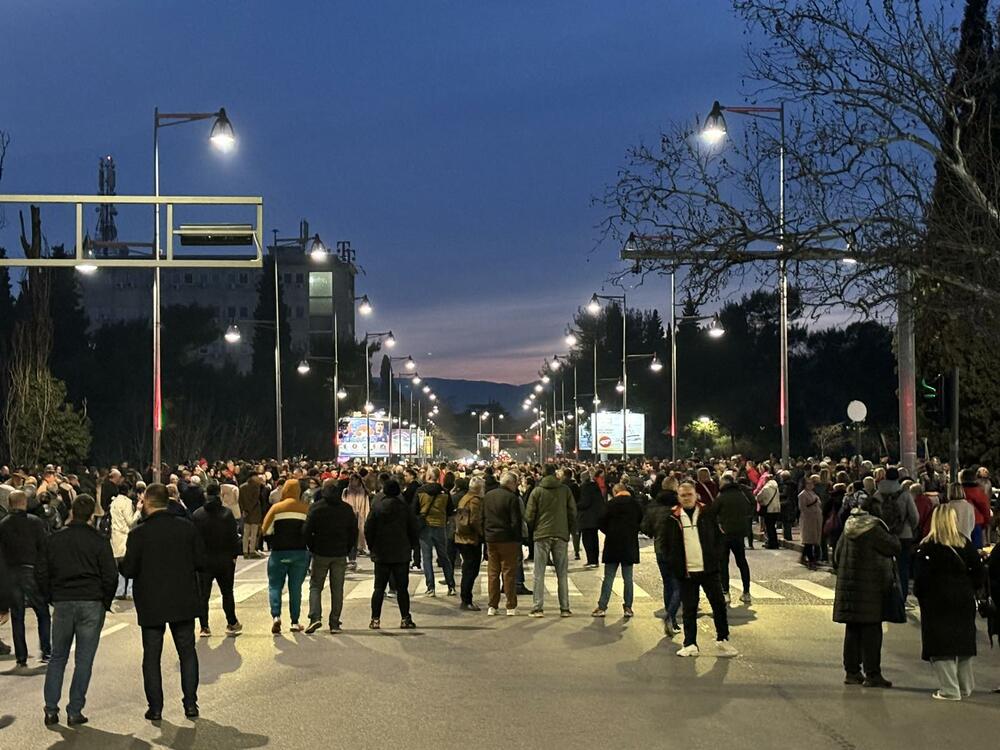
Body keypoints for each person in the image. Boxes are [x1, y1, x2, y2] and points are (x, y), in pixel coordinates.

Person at [120, 483, 206, 721]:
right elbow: (201, 561)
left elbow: (129, 569)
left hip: (151, 600)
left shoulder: (138, 533)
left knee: (152, 656)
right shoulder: (186, 528)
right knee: (187, 652)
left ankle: (155, 707)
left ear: (147, 502)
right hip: (183, 597)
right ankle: (190, 704)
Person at [42, 493, 118, 727]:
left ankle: (50, 709)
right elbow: (110, 575)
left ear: (72, 511)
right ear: (91, 515)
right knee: (83, 660)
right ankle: (74, 710)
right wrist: (104, 601)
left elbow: (42, 571)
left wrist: (51, 597)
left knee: (58, 657)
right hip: (91, 601)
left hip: (64, 600)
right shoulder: (99, 541)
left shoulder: (55, 539)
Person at [656, 481, 737, 657]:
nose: (686, 498)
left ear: (696, 495)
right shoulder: (673, 517)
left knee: (718, 605)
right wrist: (673, 563)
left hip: (709, 569)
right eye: (683, 495)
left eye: (689, 494)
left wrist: (716, 557)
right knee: (689, 609)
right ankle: (690, 643)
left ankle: (723, 639)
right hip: (686, 572)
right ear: (678, 497)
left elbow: (719, 537)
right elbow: (665, 543)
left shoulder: (707, 513)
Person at [913, 505, 984, 700]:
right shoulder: (965, 544)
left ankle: (949, 689)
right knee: (963, 642)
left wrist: (922, 598)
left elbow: (920, 579)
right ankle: (965, 687)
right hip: (963, 598)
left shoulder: (927, 547)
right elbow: (979, 574)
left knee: (941, 645)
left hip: (937, 600)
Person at [832, 494, 900, 688]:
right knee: (872, 632)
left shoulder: (849, 526)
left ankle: (852, 672)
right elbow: (894, 547)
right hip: (871, 590)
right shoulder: (874, 529)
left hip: (850, 589)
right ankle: (873, 673)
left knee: (852, 631)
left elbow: (836, 556)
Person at [0, 489, 51, 667]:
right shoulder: (35, 523)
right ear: (24, 503)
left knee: (17, 615)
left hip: (11, 574)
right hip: (32, 572)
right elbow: (44, 549)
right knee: (42, 612)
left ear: (10, 503)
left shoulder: (3, 524)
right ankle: (46, 651)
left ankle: (21, 656)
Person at [303, 478, 357, 633]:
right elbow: (353, 531)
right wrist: (348, 548)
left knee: (315, 586)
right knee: (337, 588)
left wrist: (312, 546)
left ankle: (315, 617)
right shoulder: (346, 509)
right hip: (340, 552)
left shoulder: (316, 508)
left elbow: (306, 530)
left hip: (321, 551)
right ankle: (334, 623)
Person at [525, 464, 578, 618]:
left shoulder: (537, 491)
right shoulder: (565, 490)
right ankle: (565, 608)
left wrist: (534, 529)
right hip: (561, 534)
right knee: (562, 573)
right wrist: (569, 529)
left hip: (542, 535)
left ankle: (537, 608)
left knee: (539, 573)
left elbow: (529, 516)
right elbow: (572, 511)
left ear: (542, 474)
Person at [364, 480, 419, 629]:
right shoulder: (404, 508)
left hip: (381, 552)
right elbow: (413, 529)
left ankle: (375, 619)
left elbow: (368, 528)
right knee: (402, 588)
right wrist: (413, 546)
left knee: (379, 588)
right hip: (401, 552)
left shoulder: (376, 507)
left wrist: (371, 546)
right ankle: (405, 618)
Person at [191, 481, 242, 637]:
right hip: (224, 559)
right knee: (227, 592)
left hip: (204, 561)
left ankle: (204, 626)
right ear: (220, 494)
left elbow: (193, 539)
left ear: (206, 494)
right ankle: (231, 622)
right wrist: (234, 556)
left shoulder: (197, 515)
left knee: (203, 595)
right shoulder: (227, 514)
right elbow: (234, 538)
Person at [261, 479, 310, 634]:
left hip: (278, 552)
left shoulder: (276, 508)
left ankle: (276, 616)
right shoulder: (305, 509)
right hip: (299, 553)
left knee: (275, 586)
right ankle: (295, 622)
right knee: (295, 588)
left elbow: (265, 530)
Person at [592, 483, 642, 618]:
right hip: (629, 544)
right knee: (628, 578)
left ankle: (602, 607)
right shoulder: (635, 504)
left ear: (615, 492)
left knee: (608, 577)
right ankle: (628, 607)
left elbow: (601, 521)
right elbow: (641, 521)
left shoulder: (611, 504)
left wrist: (610, 531)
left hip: (613, 544)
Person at [642, 476, 681, 636]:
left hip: (659, 548)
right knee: (680, 585)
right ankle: (670, 615)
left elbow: (644, 526)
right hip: (678, 548)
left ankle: (672, 620)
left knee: (667, 584)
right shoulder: (679, 504)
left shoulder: (653, 504)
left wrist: (654, 533)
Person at [481, 472, 524, 615]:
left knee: (493, 573)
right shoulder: (512, 498)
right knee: (509, 573)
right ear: (511, 483)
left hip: (491, 539)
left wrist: (485, 535)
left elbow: (483, 517)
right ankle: (510, 606)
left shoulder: (488, 496)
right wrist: (518, 540)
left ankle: (492, 606)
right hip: (508, 539)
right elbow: (515, 522)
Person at [714, 473, 754, 603]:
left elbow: (713, 512)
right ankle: (746, 591)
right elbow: (752, 505)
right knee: (741, 561)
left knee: (723, 563)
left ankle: (725, 592)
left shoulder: (722, 496)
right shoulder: (743, 493)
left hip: (724, 532)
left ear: (725, 483)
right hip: (740, 532)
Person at [416, 467, 456, 597]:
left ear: (428, 477)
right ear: (438, 477)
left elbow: (414, 510)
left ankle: (431, 588)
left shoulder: (420, 491)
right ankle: (451, 586)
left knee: (427, 558)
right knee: (444, 556)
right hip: (440, 526)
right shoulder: (444, 492)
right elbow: (450, 510)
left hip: (425, 527)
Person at [454, 476, 485, 611]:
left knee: (467, 568)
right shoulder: (475, 501)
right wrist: (482, 533)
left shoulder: (465, 497)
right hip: (470, 539)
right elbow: (474, 520)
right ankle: (466, 600)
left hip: (461, 537)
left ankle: (465, 598)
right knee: (471, 569)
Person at [109, 488, 136, 600]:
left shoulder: (114, 502)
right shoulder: (127, 502)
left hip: (115, 535)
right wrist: (138, 511)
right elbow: (130, 521)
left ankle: (119, 590)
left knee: (118, 565)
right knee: (130, 563)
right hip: (125, 535)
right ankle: (129, 591)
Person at [576, 471, 605, 568]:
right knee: (594, 539)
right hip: (595, 517)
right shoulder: (595, 486)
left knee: (587, 540)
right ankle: (594, 560)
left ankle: (591, 560)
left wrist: (576, 506)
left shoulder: (585, 487)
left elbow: (585, 503)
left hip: (587, 518)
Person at [343, 473, 370, 570]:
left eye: (354, 479)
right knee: (349, 538)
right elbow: (343, 502)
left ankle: (353, 557)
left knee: (358, 536)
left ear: (358, 480)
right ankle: (350, 557)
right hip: (348, 517)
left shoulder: (364, 492)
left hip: (360, 517)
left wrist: (366, 517)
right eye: (351, 479)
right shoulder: (346, 491)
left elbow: (366, 506)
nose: (352, 481)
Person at [798, 475, 823, 570]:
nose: (811, 485)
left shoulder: (813, 493)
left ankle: (804, 557)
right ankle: (811, 560)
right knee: (808, 540)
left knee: (812, 540)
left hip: (816, 518)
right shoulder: (802, 495)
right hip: (808, 519)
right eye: (808, 483)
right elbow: (803, 508)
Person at [237, 475, 264, 558]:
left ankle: (245, 551)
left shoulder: (241, 487)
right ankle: (252, 551)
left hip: (245, 513)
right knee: (254, 533)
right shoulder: (256, 487)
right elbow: (255, 500)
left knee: (246, 533)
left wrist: (244, 510)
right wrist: (250, 509)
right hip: (254, 512)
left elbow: (240, 500)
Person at [756, 475, 781, 549]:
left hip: (769, 509)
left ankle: (771, 543)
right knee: (772, 527)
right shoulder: (775, 487)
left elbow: (759, 496)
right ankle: (775, 542)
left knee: (769, 527)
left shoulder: (766, 488)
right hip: (776, 509)